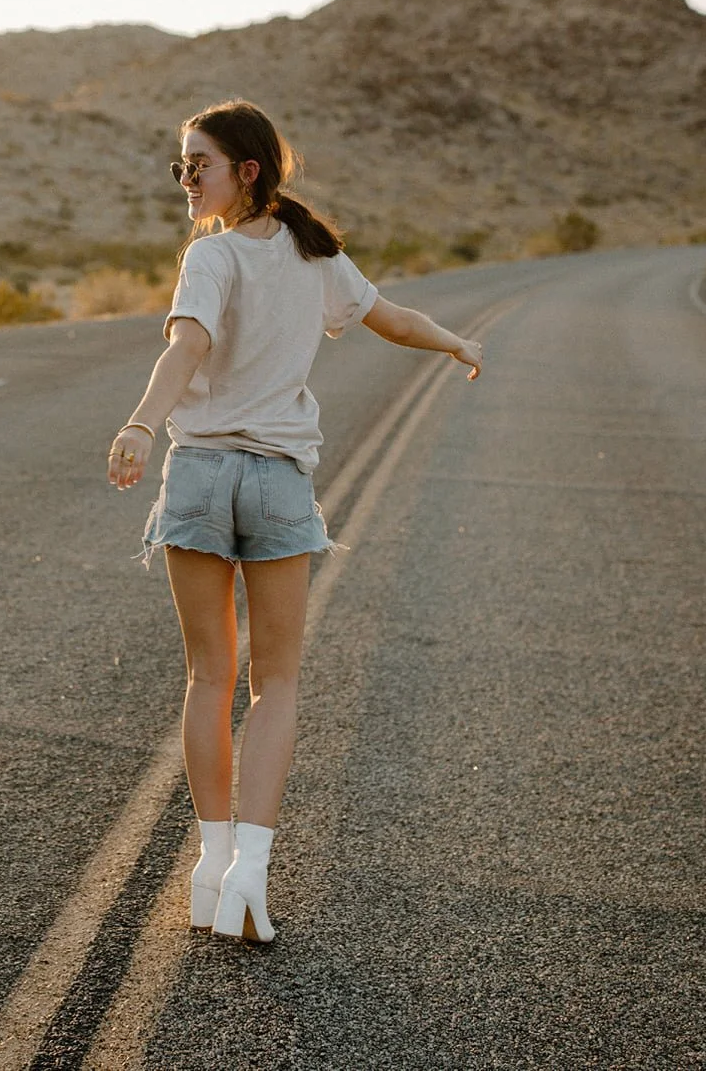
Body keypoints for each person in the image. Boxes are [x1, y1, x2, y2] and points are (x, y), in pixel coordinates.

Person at [106, 99, 483, 943]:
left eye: (196, 164)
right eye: (179, 165)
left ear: (245, 171)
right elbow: (393, 320)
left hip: (202, 474)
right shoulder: (317, 257)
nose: (184, 179)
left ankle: (212, 867)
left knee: (210, 678)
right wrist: (456, 343)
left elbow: (186, 348)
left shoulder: (211, 258)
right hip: (277, 482)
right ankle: (250, 876)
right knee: (274, 684)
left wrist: (139, 424)